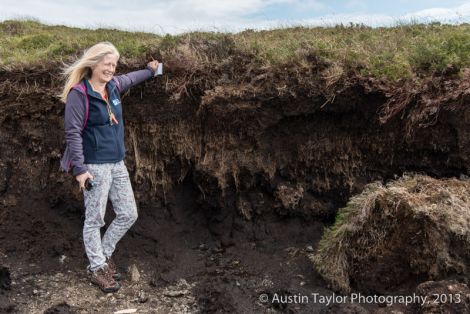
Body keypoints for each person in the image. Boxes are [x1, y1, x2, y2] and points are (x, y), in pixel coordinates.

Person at [59, 41, 160, 293]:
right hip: (94, 165)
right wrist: (80, 169)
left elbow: (131, 78)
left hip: (117, 163)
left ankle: (103, 255)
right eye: (107, 64)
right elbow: (72, 133)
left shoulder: (113, 86)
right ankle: (96, 268)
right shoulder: (79, 94)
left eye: (114, 64)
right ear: (94, 64)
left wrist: (151, 70)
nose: (111, 69)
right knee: (94, 219)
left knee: (128, 213)